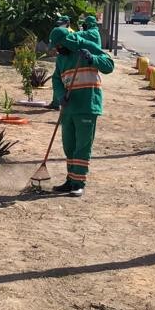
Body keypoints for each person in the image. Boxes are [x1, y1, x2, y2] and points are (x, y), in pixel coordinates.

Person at [49, 23, 114, 196]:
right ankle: (70, 180)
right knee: (69, 146)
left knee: (82, 146)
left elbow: (109, 65)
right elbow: (56, 79)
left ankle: (79, 182)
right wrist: (60, 95)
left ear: (67, 41)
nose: (56, 49)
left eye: (58, 45)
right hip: (68, 108)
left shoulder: (88, 47)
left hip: (87, 105)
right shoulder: (61, 58)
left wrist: (93, 58)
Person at [48, 14, 73, 111]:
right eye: (59, 24)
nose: (60, 25)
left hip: (66, 60)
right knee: (58, 79)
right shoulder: (58, 31)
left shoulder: (70, 33)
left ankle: (57, 102)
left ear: (67, 23)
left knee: (61, 80)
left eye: (62, 24)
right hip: (62, 58)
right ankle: (56, 102)